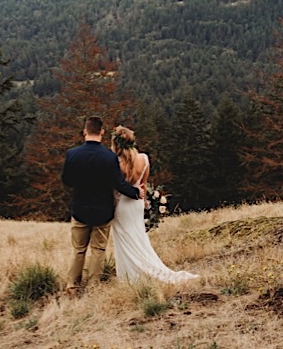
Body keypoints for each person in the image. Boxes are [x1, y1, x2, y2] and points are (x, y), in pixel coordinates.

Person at [60, 116, 142, 294]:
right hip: (103, 209)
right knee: (98, 249)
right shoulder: (109, 157)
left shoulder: (72, 154)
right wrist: (136, 193)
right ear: (102, 133)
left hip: (80, 207)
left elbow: (66, 180)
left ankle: (72, 286)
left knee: (78, 250)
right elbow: (119, 183)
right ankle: (93, 287)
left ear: (85, 132)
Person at [108, 126, 198, 284]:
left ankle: (131, 276)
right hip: (136, 203)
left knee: (125, 240)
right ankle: (141, 270)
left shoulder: (115, 162)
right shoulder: (143, 159)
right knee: (138, 237)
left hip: (122, 205)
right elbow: (143, 184)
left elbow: (115, 186)